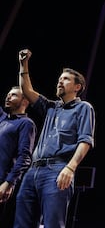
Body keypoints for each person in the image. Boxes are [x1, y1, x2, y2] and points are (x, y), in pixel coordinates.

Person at [14, 49, 95, 228]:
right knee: (21, 224)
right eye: (59, 78)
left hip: (57, 170)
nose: (60, 81)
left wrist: (70, 168)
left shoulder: (83, 108)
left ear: (77, 87)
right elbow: (26, 90)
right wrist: (23, 64)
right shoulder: (51, 107)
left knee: (53, 224)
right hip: (33, 171)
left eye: (65, 79)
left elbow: (86, 140)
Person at [0, 86, 36, 228]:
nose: (8, 97)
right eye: (8, 94)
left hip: (2, 182)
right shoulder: (2, 119)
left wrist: (9, 182)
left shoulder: (26, 123)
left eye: (13, 95)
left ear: (25, 101)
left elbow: (25, 156)